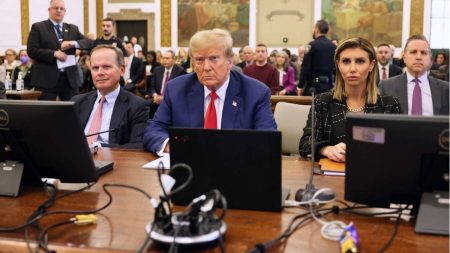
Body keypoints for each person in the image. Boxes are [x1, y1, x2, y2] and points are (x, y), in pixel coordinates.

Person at [143, 29, 277, 155]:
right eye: (199, 60)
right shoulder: (176, 89)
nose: (206, 67)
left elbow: (267, 141)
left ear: (230, 62)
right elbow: (154, 130)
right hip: (189, 171)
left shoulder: (256, 93)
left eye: (214, 58)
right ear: (193, 63)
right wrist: (173, 147)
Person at [299, 37, 401, 162]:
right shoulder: (322, 102)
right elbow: (305, 143)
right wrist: (326, 149)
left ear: (371, 65)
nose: (352, 69)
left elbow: (398, 149)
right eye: (346, 61)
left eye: (360, 61)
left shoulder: (390, 105)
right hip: (331, 177)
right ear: (338, 65)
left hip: (375, 174)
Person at [71, 45, 149, 149]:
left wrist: (97, 147)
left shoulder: (137, 106)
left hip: (115, 162)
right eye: (95, 68)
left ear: (122, 70)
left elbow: (137, 146)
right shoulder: (77, 102)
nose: (100, 73)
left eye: (106, 67)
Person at [27, 0, 93, 101]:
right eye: (55, 8)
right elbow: (31, 50)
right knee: (46, 114)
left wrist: (73, 43)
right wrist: (54, 54)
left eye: (61, 9)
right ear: (49, 10)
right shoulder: (38, 27)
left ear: (64, 11)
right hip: (46, 79)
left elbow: (89, 42)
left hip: (69, 79)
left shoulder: (72, 28)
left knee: (72, 112)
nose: (59, 11)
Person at [380, 35, 449, 116]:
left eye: (423, 53)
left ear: (430, 59)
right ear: (404, 57)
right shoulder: (386, 86)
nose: (418, 57)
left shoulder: (446, 89)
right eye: (413, 52)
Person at [298, 20, 336, 96]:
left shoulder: (312, 45)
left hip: (313, 88)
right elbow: (336, 68)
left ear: (317, 29)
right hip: (328, 87)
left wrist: (300, 86)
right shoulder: (333, 47)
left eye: (313, 28)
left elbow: (305, 67)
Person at [148, 50, 186, 118]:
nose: (165, 60)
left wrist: (164, 98)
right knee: (146, 105)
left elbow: (179, 90)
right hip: (157, 98)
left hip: (171, 99)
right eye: (164, 58)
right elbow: (152, 86)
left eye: (167, 58)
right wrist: (155, 95)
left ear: (174, 60)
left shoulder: (180, 71)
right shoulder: (157, 70)